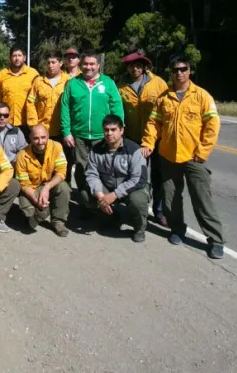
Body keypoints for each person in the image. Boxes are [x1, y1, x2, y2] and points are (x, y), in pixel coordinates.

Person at [141, 55, 225, 259]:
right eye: (175, 70)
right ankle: (177, 229)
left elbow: (212, 126)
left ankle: (215, 240)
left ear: (189, 70)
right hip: (168, 156)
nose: (179, 73)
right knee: (170, 198)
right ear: (170, 73)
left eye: (183, 69)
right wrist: (148, 142)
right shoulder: (164, 98)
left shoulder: (202, 96)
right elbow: (154, 123)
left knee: (202, 199)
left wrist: (203, 152)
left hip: (193, 157)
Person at [60, 51, 125, 201]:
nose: (88, 67)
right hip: (79, 136)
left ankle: (103, 200)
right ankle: (85, 200)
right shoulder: (73, 83)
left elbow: (117, 107)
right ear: (81, 65)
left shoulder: (108, 83)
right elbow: (65, 108)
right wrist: (66, 132)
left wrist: (118, 130)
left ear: (98, 65)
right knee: (81, 169)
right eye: (85, 64)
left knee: (104, 169)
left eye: (92, 64)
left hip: (103, 135)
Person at [119, 51, 169, 222]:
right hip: (133, 138)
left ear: (144, 67)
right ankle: (136, 210)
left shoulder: (158, 83)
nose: (135, 69)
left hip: (157, 138)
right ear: (127, 67)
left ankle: (159, 211)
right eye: (131, 66)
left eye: (138, 66)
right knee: (136, 175)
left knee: (158, 176)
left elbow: (167, 108)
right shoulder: (121, 86)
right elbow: (117, 111)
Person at [86, 115, 150, 242]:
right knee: (86, 195)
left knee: (138, 200)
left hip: (131, 189)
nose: (109, 133)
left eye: (113, 129)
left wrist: (115, 194)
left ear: (121, 130)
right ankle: (112, 217)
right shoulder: (96, 150)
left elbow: (139, 179)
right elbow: (92, 174)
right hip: (108, 186)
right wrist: (101, 196)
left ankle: (139, 228)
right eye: (106, 130)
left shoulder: (133, 150)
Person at [14, 125, 69, 237]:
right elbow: (24, 184)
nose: (40, 142)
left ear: (48, 135)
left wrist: (47, 188)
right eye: (36, 138)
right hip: (33, 189)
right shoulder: (22, 155)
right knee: (29, 217)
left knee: (63, 187)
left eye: (43, 137)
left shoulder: (56, 147)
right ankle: (42, 209)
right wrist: (36, 201)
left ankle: (58, 221)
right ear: (30, 138)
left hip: (50, 185)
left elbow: (61, 172)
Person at [25, 50, 67, 140]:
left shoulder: (68, 81)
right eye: (48, 63)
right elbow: (30, 103)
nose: (50, 65)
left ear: (61, 63)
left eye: (53, 62)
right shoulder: (38, 81)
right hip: (42, 132)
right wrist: (33, 125)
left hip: (62, 131)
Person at [0, 46, 39, 126]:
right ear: (10, 58)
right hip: (6, 121)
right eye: (14, 56)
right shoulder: (2, 74)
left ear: (24, 58)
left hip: (27, 122)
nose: (17, 58)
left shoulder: (33, 74)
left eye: (19, 55)